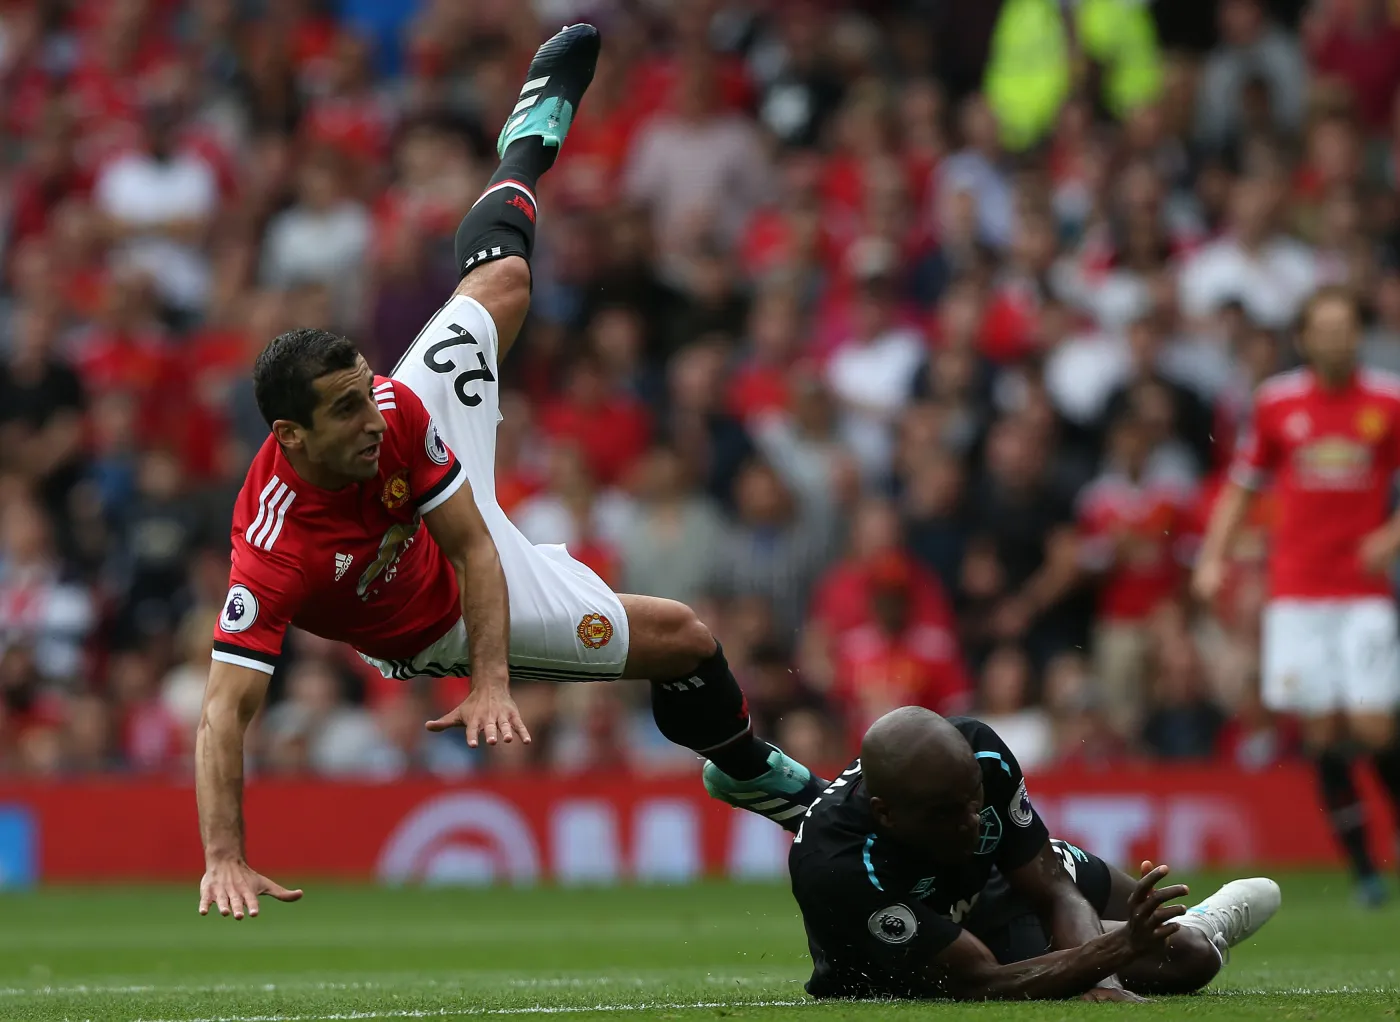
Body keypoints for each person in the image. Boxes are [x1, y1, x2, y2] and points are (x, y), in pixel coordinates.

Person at [195, 25, 826, 922]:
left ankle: (527, 138)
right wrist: (225, 854)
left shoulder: (390, 413)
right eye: (344, 410)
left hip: (463, 548)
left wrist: (493, 686)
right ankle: (746, 768)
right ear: (291, 438)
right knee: (684, 639)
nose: (367, 414)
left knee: (503, 287)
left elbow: (474, 540)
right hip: (433, 619)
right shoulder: (275, 550)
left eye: (365, 392)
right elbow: (225, 714)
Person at [708, 706, 1281, 1001]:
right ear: (886, 813)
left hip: (988, 880)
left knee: (1154, 926)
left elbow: (1051, 884)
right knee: (1189, 959)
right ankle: (800, 798)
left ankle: (795, 793)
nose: (970, 822)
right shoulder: (836, 869)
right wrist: (1109, 952)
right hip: (926, 937)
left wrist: (1104, 972)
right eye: (945, 812)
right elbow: (980, 980)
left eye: (973, 802)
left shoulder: (981, 752)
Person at [1195, 285, 1400, 908]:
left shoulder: (1388, 401)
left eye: (1346, 327)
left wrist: (1391, 538)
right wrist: (1212, 557)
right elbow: (1243, 486)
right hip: (1297, 590)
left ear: (1356, 336)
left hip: (1363, 589)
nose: (1337, 338)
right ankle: (1364, 869)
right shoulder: (1278, 403)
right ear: (1306, 337)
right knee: (1321, 730)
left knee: (1372, 722)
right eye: (1325, 328)